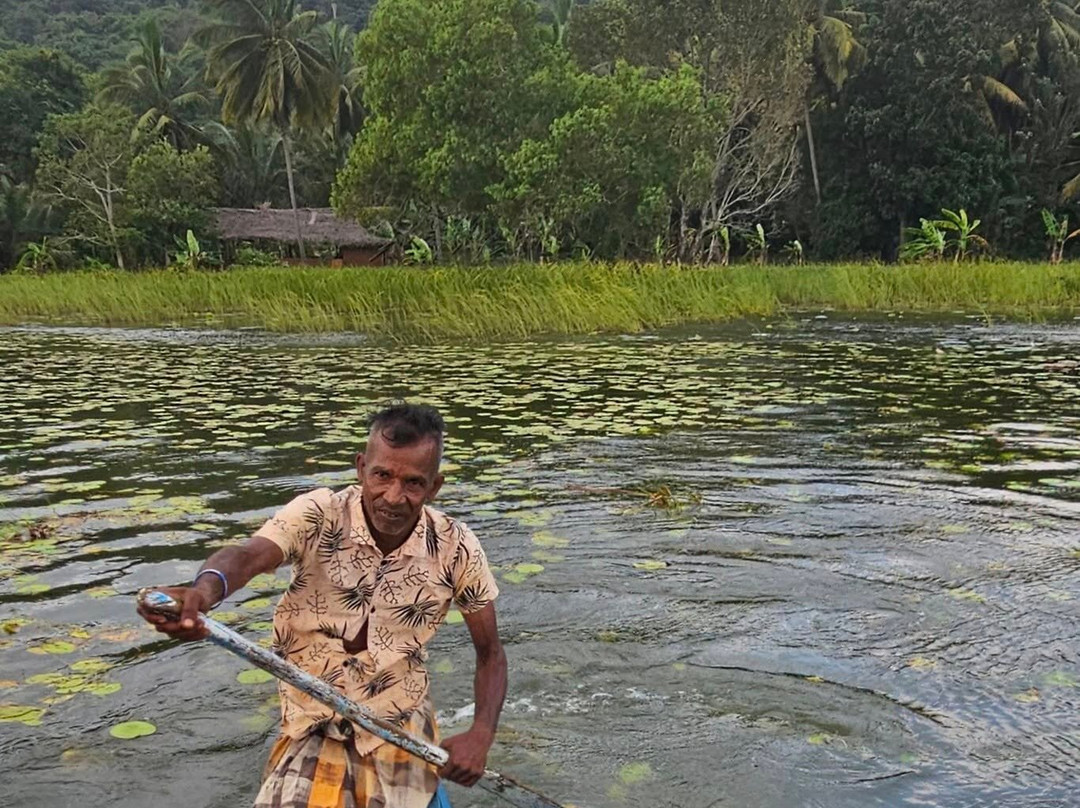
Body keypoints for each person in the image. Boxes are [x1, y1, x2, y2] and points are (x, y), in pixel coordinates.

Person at [137, 403, 507, 808]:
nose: (393, 496)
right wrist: (203, 593)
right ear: (362, 467)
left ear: (434, 487)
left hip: (399, 716)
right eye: (381, 475)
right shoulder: (318, 514)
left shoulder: (456, 546)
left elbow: (490, 653)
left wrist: (481, 733)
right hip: (314, 718)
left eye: (413, 483)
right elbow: (247, 556)